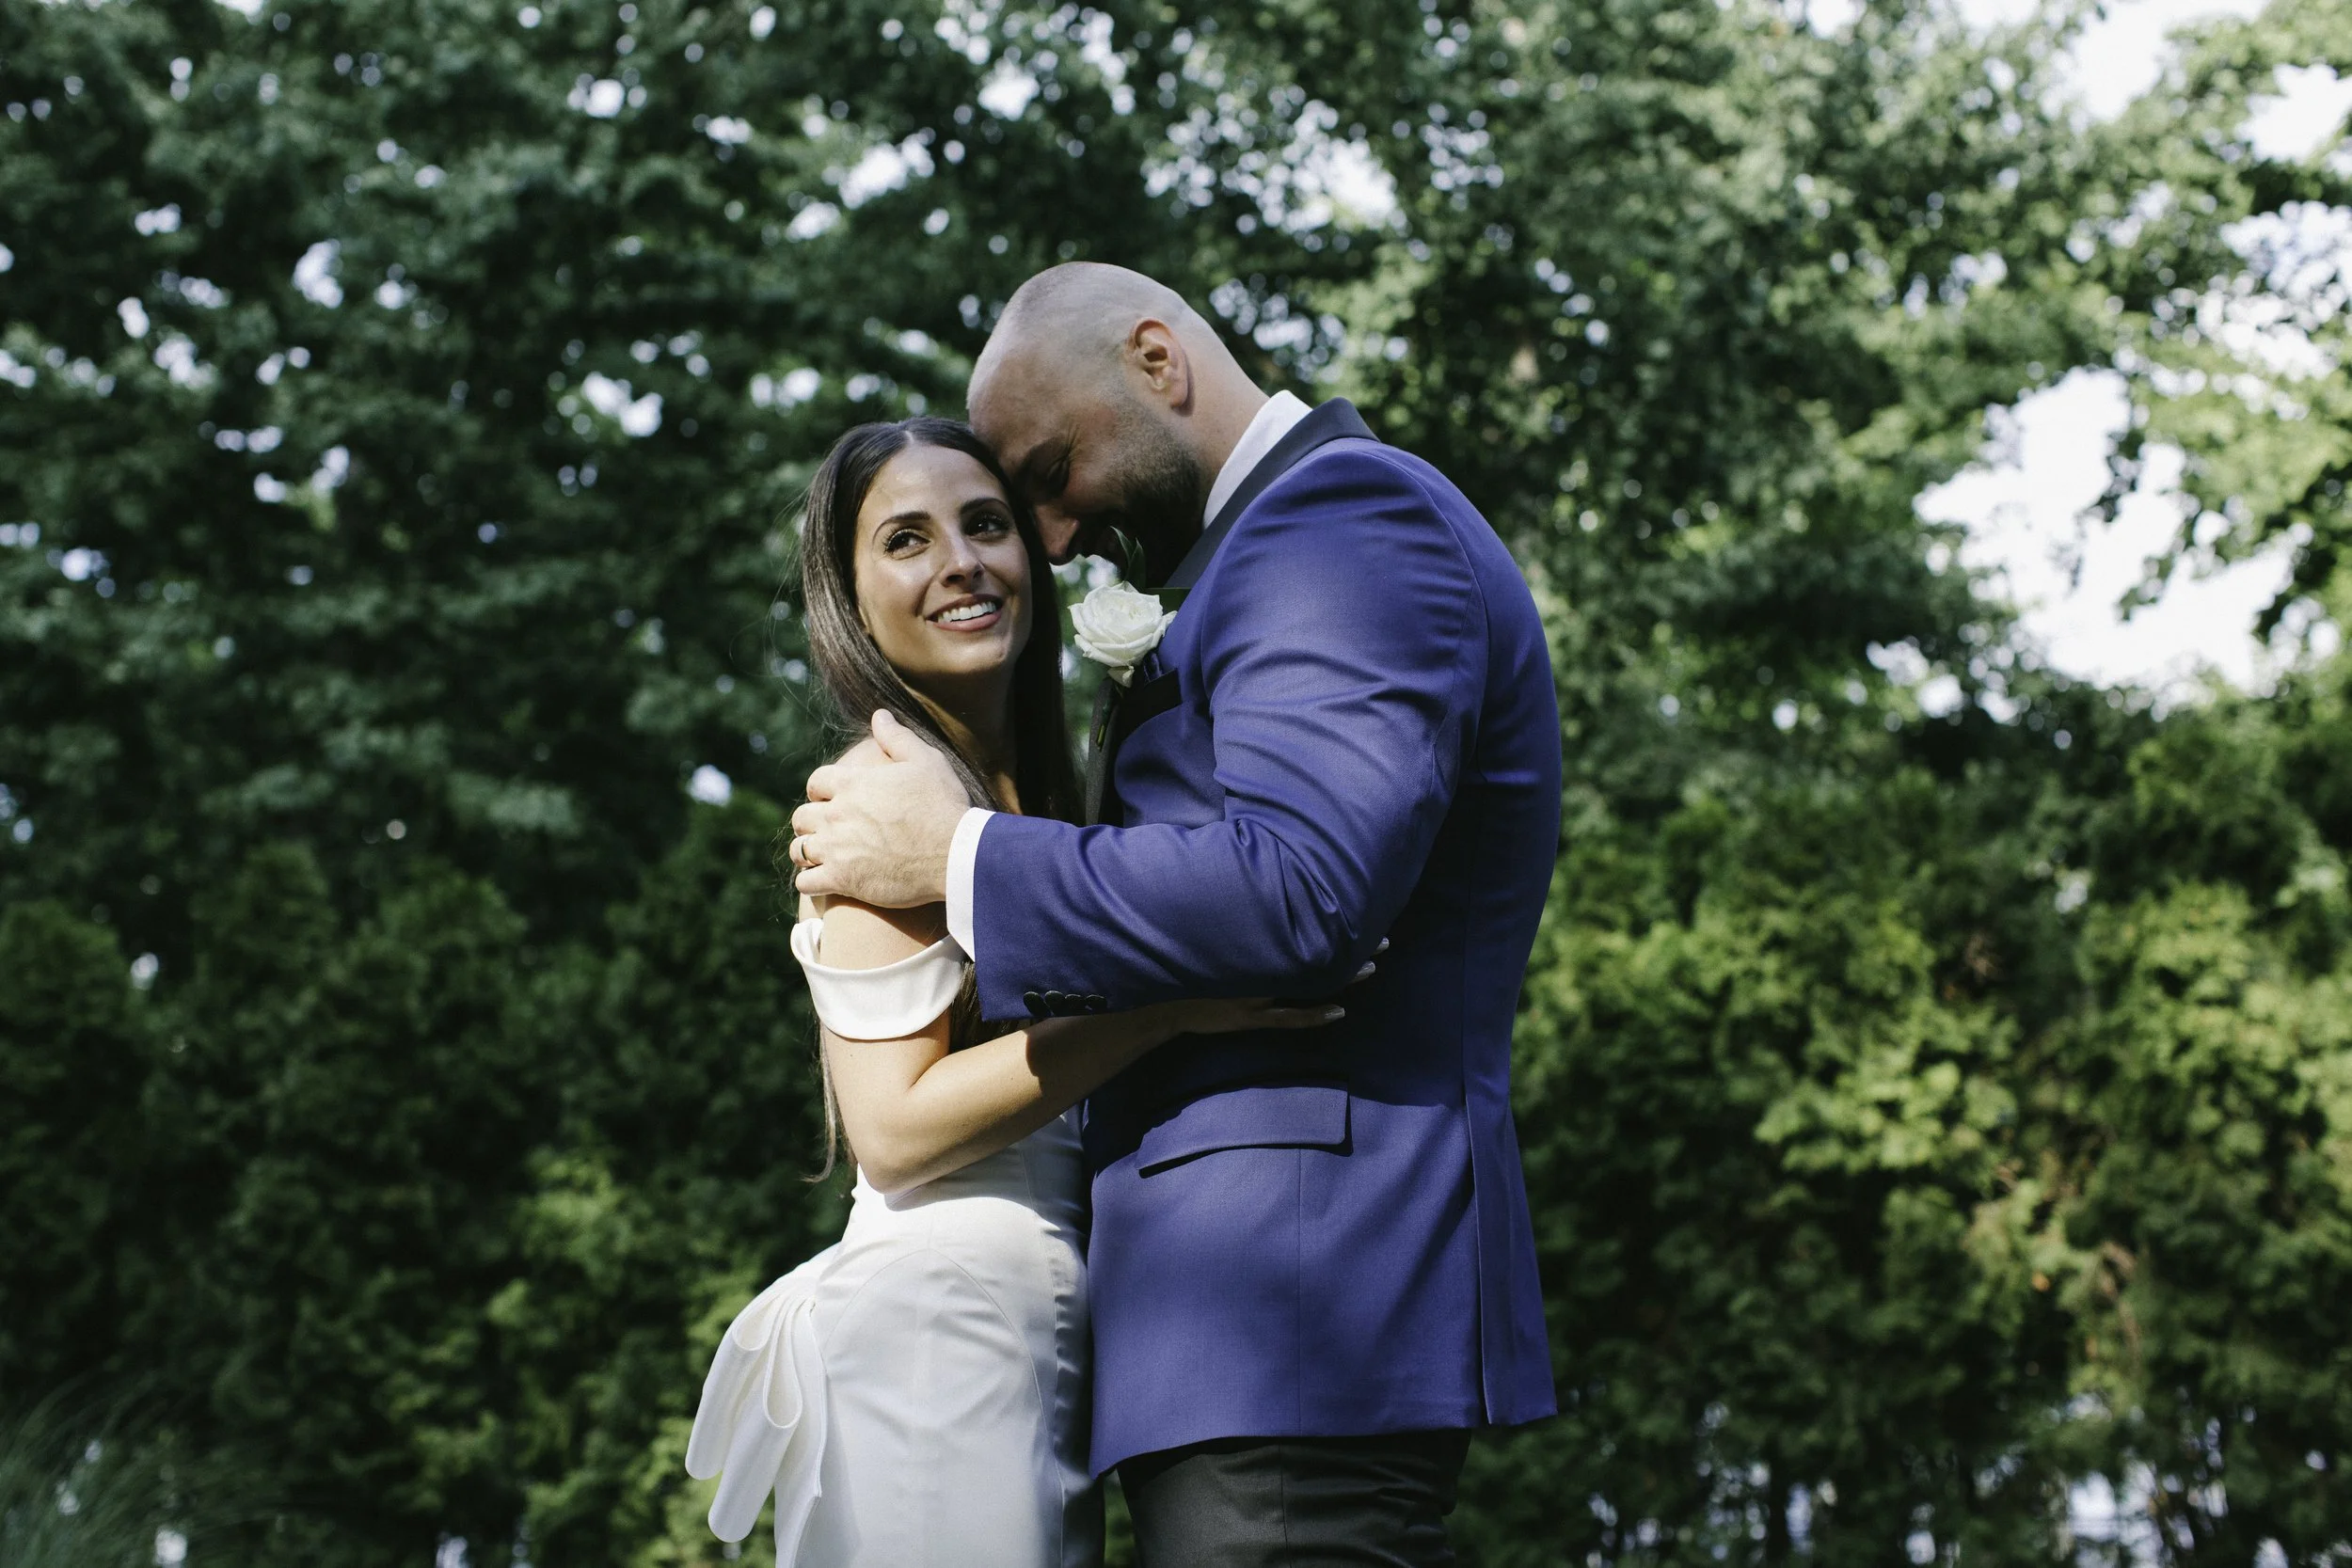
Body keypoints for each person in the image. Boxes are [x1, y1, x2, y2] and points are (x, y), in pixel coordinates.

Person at [786, 263, 1562, 1568]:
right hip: (1209, 1332)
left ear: (1159, 360)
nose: (1053, 534)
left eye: (1041, 475)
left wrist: (963, 851)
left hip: (1295, 1308)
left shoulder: (1339, 519)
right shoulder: (1272, 546)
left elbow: (1301, 887)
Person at [684, 417, 1348, 1567]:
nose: (960, 561)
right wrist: (1166, 1005)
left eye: (984, 524)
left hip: (1033, 1327)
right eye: (905, 538)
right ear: (847, 594)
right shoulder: (877, 798)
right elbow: (891, 1130)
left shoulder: (1021, 798)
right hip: (937, 1333)